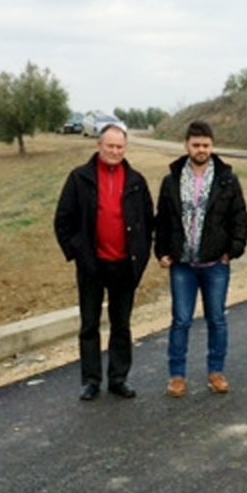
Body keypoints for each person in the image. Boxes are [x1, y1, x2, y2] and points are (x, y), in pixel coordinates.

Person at [53, 122, 155, 401]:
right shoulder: (79, 178)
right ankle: (91, 380)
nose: (115, 151)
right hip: (92, 265)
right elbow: (63, 220)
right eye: (110, 146)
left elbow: (148, 221)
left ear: (125, 148)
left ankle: (118, 378)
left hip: (124, 265)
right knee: (89, 325)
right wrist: (76, 253)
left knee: (121, 325)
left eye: (120, 146)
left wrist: (142, 255)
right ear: (99, 146)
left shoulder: (136, 181)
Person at [155, 120, 247, 398]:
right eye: (196, 145)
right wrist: (161, 251)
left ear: (212, 146)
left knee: (217, 319)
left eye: (206, 145)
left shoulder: (227, 180)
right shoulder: (172, 180)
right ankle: (176, 376)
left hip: (215, 265)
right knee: (181, 320)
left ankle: (216, 372)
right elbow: (162, 220)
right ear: (187, 145)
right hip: (182, 265)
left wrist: (232, 251)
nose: (201, 150)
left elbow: (239, 218)